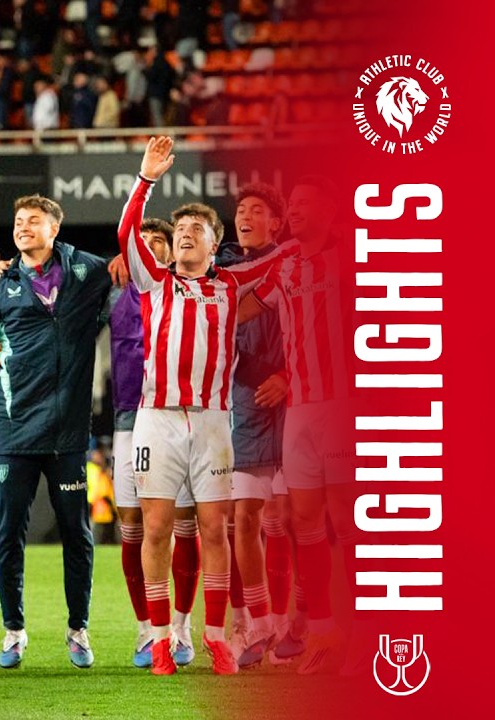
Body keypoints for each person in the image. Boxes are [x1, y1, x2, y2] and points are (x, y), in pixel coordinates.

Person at [119, 136, 281, 676]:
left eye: (197, 229)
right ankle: (159, 639)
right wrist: (146, 179)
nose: (185, 233)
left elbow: (280, 260)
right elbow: (126, 233)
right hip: (157, 421)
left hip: (213, 423)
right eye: (180, 229)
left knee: (215, 528)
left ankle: (215, 637)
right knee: (156, 529)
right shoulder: (155, 281)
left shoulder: (230, 286)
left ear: (215, 245)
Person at [0, 194, 112, 670]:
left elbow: (125, 275)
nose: (23, 227)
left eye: (34, 221)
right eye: (18, 221)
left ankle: (78, 629)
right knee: (8, 533)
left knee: (77, 533)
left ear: (55, 228)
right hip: (14, 428)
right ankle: (13, 630)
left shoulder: (87, 271)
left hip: (68, 432)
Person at [237, 175, 354, 675]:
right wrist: (203, 313)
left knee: (345, 522)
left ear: (330, 210)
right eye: (294, 203)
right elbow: (246, 307)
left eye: (307, 202)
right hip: (301, 410)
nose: (297, 210)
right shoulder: (285, 265)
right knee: (303, 520)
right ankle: (323, 632)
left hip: (343, 406)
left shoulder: (353, 257)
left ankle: (361, 631)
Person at [110, 218, 203, 669]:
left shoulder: (189, 285)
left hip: (177, 414)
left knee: (183, 522)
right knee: (132, 524)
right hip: (128, 416)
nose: (148, 246)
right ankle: (146, 628)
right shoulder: (112, 290)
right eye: (141, 241)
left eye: (157, 241)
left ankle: (181, 625)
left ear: (170, 250)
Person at [219, 183, 290, 668]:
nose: (245, 216)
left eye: (256, 209)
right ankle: (252, 622)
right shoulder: (223, 270)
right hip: (243, 399)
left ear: (275, 223)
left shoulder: (292, 264)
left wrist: (286, 376)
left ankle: (286, 625)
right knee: (241, 517)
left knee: (285, 519)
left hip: (290, 398)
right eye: (241, 209)